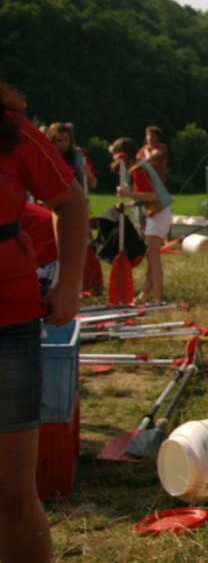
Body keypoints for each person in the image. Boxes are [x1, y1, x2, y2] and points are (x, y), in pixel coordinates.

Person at [0, 81, 87, 563]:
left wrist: (68, 285)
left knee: (11, 496)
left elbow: (70, 201)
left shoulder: (10, 128)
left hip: (8, 323)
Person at [110, 137, 172, 305]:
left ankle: (157, 298)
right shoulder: (138, 167)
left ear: (121, 155)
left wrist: (127, 194)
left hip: (158, 215)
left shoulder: (137, 170)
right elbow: (143, 198)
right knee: (151, 259)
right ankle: (145, 294)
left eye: (114, 154)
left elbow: (151, 196)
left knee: (153, 258)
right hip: (158, 214)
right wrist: (127, 205)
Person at [47, 122, 97, 192]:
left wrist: (89, 175)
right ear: (53, 141)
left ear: (71, 139)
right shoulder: (48, 157)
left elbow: (93, 184)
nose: (63, 143)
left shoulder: (79, 155)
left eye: (66, 139)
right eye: (59, 141)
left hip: (77, 195)